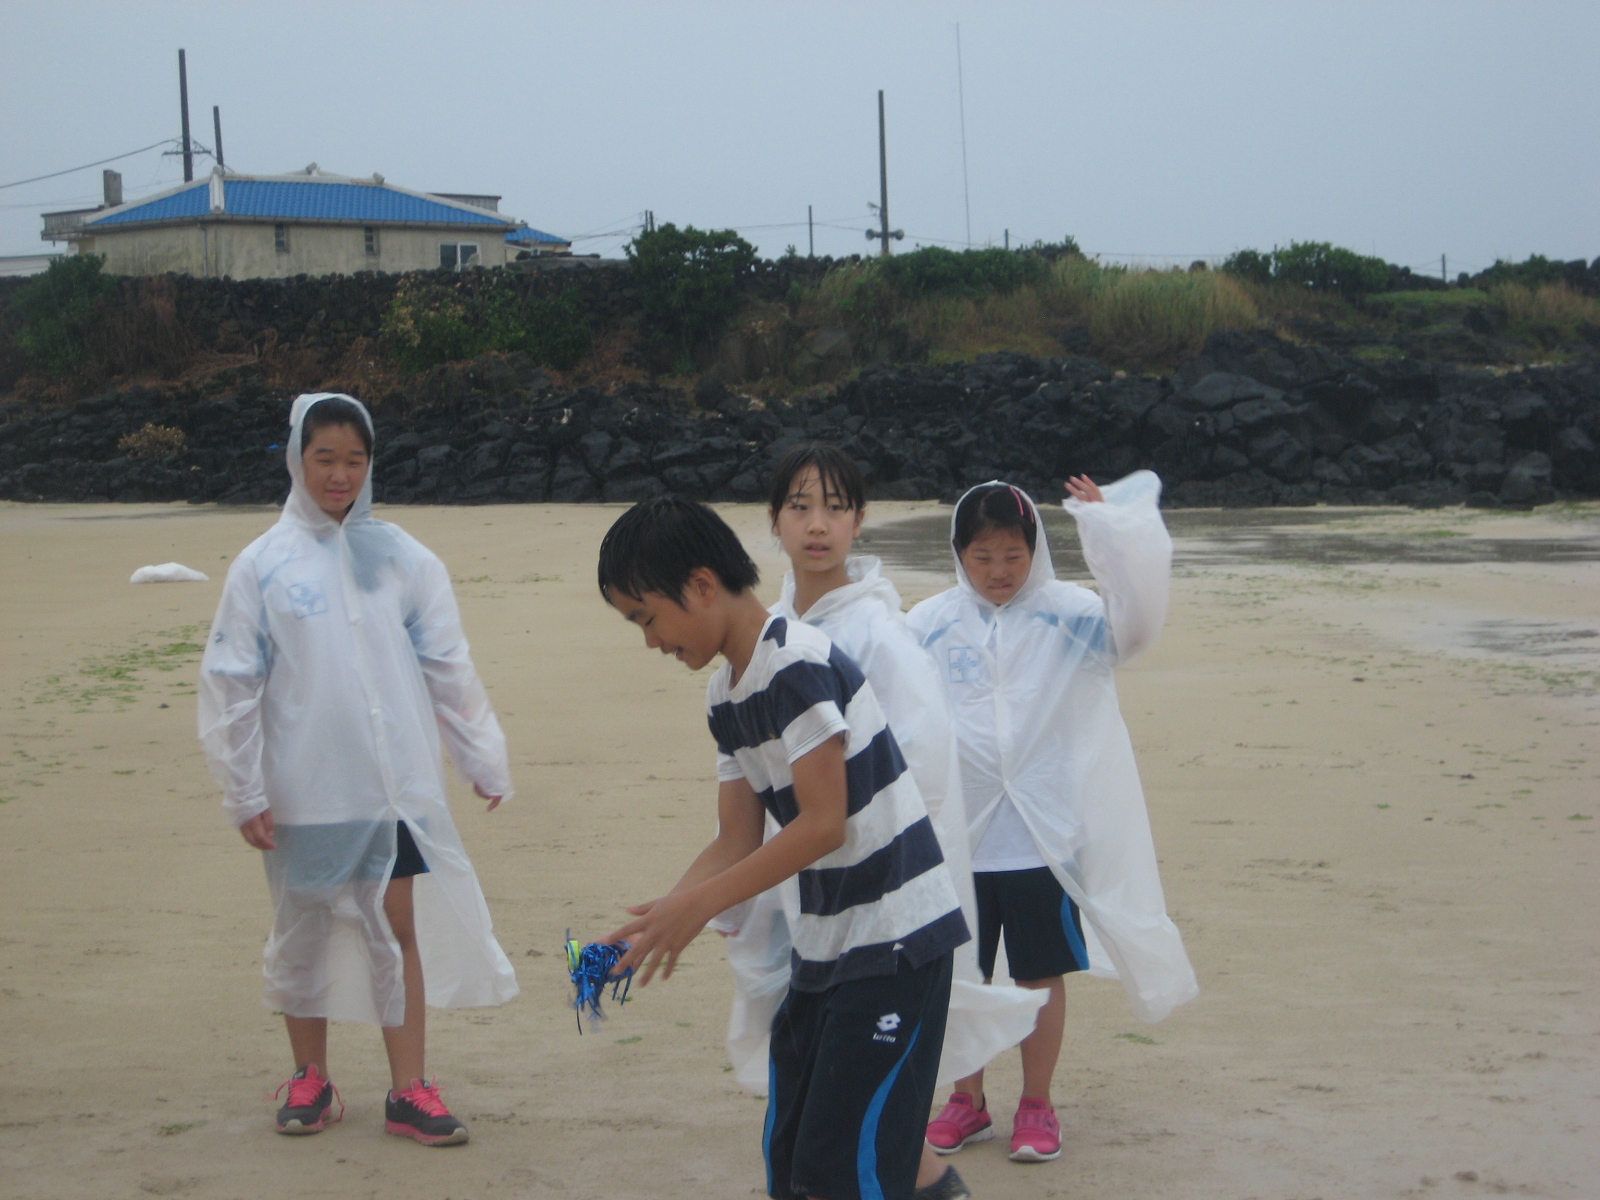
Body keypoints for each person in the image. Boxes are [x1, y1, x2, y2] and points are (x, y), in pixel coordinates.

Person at [597, 496, 970, 1200]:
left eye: (646, 618)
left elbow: (825, 823)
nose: (650, 641)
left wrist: (697, 908)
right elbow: (736, 838)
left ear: (702, 585)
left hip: (895, 943)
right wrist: (657, 921)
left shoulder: (796, 661)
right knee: (794, 1158)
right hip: (825, 947)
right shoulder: (725, 695)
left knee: (845, 1171)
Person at [717, 444, 1048, 1199]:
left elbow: (922, 773)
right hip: (804, 886)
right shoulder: (770, 631)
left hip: (876, 898)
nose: (817, 525)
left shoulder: (877, 633)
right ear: (774, 520)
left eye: (835, 508)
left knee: (847, 1109)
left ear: (859, 520)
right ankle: (936, 1182)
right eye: (800, 507)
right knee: (825, 1090)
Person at [198, 393, 518, 1147]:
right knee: (305, 925)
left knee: (395, 924)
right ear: (296, 459)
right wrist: (243, 789)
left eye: (354, 459)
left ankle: (409, 1089)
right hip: (304, 786)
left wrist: (482, 757)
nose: (339, 475)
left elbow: (447, 664)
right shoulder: (263, 566)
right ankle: (310, 1078)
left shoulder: (403, 558)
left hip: (391, 786)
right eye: (324, 458)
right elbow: (231, 683)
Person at [909, 473, 1198, 1164]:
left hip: (1041, 834)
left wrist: (1111, 532)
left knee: (1039, 973)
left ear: (1035, 550)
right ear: (958, 553)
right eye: (982, 556)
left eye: (1013, 555)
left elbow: (1137, 623)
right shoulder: (927, 623)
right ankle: (966, 1099)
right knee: (959, 971)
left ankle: (1036, 1103)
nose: (998, 571)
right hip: (959, 836)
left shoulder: (1072, 615)